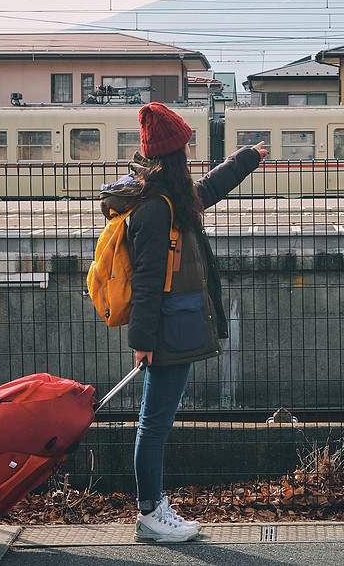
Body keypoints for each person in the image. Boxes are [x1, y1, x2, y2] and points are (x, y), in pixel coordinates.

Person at [98, 102, 266, 543]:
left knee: (156, 421)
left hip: (178, 321)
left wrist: (245, 159)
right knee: (153, 423)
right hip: (166, 328)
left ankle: (154, 506)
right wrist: (142, 342)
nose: (191, 155)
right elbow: (149, 281)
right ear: (174, 155)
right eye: (186, 148)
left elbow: (208, 189)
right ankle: (150, 513)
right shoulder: (156, 209)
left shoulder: (171, 196)